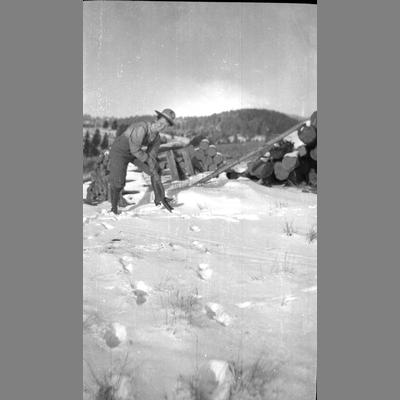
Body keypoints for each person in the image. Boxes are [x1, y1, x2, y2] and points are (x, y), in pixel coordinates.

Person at [108, 108, 176, 214]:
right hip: (120, 152)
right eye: (161, 122)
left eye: (165, 125)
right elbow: (135, 149)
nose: (161, 126)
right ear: (157, 119)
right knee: (118, 183)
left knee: (155, 170)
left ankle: (159, 198)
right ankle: (113, 208)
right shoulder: (142, 127)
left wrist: (154, 170)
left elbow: (151, 156)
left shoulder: (156, 138)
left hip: (134, 153)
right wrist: (148, 159)